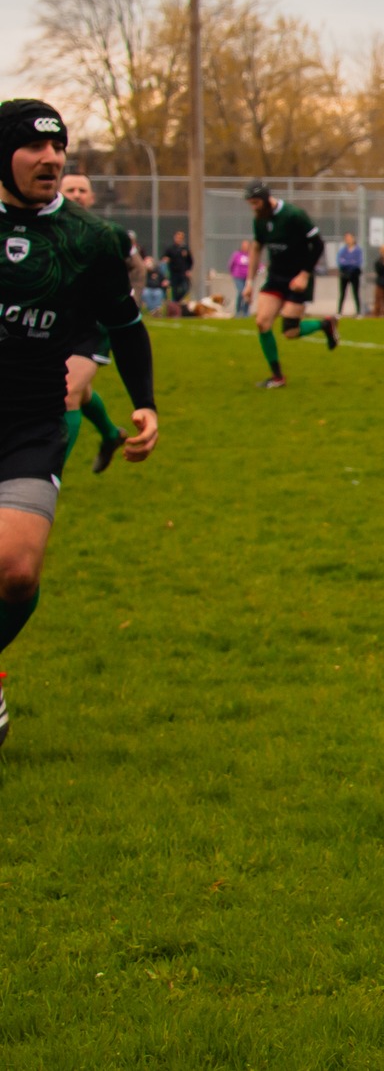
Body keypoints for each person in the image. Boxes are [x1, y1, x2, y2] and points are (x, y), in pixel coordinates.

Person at [0, 100, 162, 748]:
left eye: (58, 146)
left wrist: (146, 401)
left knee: (16, 570)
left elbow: (125, 326)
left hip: (32, 421)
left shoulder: (90, 240)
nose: (51, 158)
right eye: (35, 147)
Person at [53, 173, 138, 475]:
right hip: (54, 322)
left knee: (67, 392)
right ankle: (111, 434)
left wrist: (129, 299)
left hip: (94, 325)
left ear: (90, 197)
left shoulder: (109, 232)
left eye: (82, 190)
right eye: (70, 189)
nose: (76, 194)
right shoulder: (41, 230)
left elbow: (135, 266)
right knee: (82, 390)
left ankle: (46, 476)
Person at [243, 179, 339, 387]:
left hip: (298, 278)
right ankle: (277, 377)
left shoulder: (294, 215)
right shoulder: (259, 219)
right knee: (262, 322)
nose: (253, 208)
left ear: (266, 198)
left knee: (290, 332)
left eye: (255, 203)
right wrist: (249, 282)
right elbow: (257, 248)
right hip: (276, 277)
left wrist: (304, 274)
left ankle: (325, 324)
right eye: (250, 203)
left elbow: (318, 244)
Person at [162, 228, 194, 305]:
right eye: (177, 237)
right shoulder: (170, 249)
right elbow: (164, 257)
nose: (178, 239)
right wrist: (166, 260)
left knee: (185, 288)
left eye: (180, 238)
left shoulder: (185, 248)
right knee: (174, 290)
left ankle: (176, 300)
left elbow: (190, 260)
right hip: (174, 273)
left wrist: (188, 270)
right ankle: (175, 304)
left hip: (183, 272)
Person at [335, 233, 365, 316]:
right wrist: (349, 262)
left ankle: (358, 312)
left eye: (349, 238)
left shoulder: (358, 250)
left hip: (354, 274)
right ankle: (339, 312)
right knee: (342, 293)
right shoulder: (343, 250)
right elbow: (340, 261)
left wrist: (348, 262)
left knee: (356, 293)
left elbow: (358, 262)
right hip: (344, 274)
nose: (348, 240)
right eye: (346, 238)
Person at [230, 240, 252, 316]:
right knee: (241, 292)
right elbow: (231, 264)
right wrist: (232, 273)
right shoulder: (237, 255)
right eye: (244, 245)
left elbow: (257, 264)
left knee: (247, 294)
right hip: (238, 277)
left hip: (248, 277)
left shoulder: (251, 255)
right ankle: (239, 310)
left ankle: (246, 311)